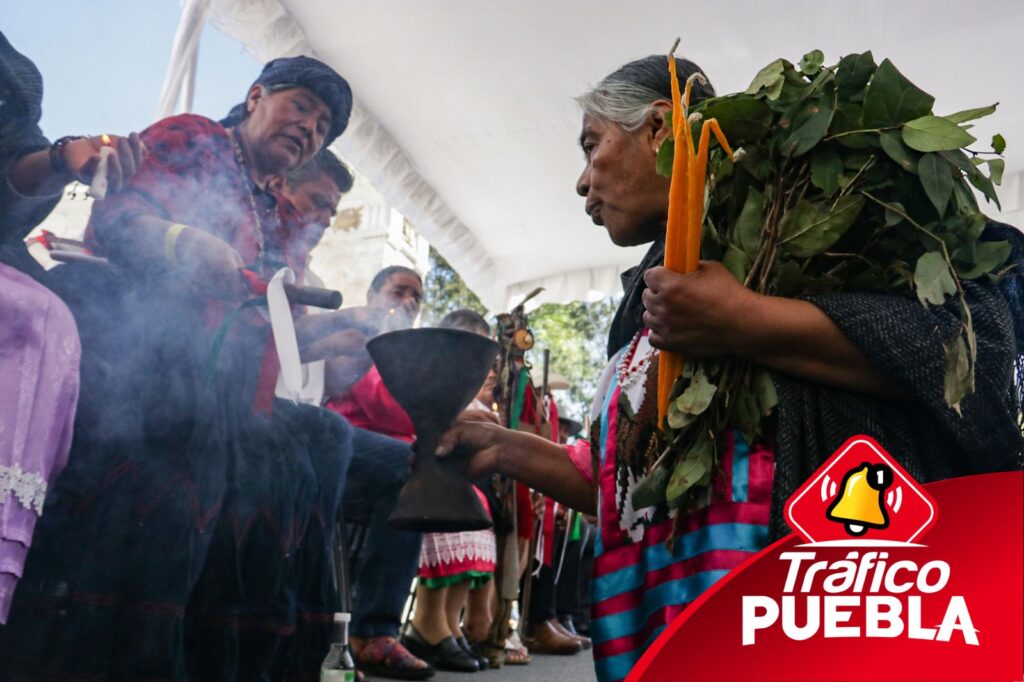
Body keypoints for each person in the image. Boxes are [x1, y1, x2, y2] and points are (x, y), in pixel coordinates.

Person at [433, 55, 1023, 682]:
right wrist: (501, 446)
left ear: (661, 129)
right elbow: (637, 484)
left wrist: (744, 320)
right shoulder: (645, 304)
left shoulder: (813, 217)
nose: (583, 182)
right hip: (669, 642)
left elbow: (966, 353)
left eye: (591, 145)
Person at [0, 55, 354, 681]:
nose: (310, 128)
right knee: (193, 418)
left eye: (323, 125)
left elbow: (266, 318)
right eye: (300, 106)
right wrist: (180, 242)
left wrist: (335, 335)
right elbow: (113, 221)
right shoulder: (195, 139)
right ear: (254, 97)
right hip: (141, 349)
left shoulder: (281, 213)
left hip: (223, 375)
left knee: (321, 440)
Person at [0, 29, 144, 624]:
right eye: (304, 110)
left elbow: (12, 171)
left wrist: (65, 158)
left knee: (69, 321)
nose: (308, 129)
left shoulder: (12, 75)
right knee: (33, 312)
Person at [317, 265, 436, 680]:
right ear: (372, 296)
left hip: (391, 450)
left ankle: (419, 627)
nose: (407, 302)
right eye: (398, 291)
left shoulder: (410, 349)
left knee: (430, 474)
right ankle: (374, 631)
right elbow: (389, 406)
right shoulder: (355, 336)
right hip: (346, 437)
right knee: (412, 472)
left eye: (416, 298)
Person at [403, 310, 498, 674]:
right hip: (409, 454)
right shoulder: (424, 375)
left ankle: (447, 619)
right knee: (445, 490)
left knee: (479, 507)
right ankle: (427, 621)